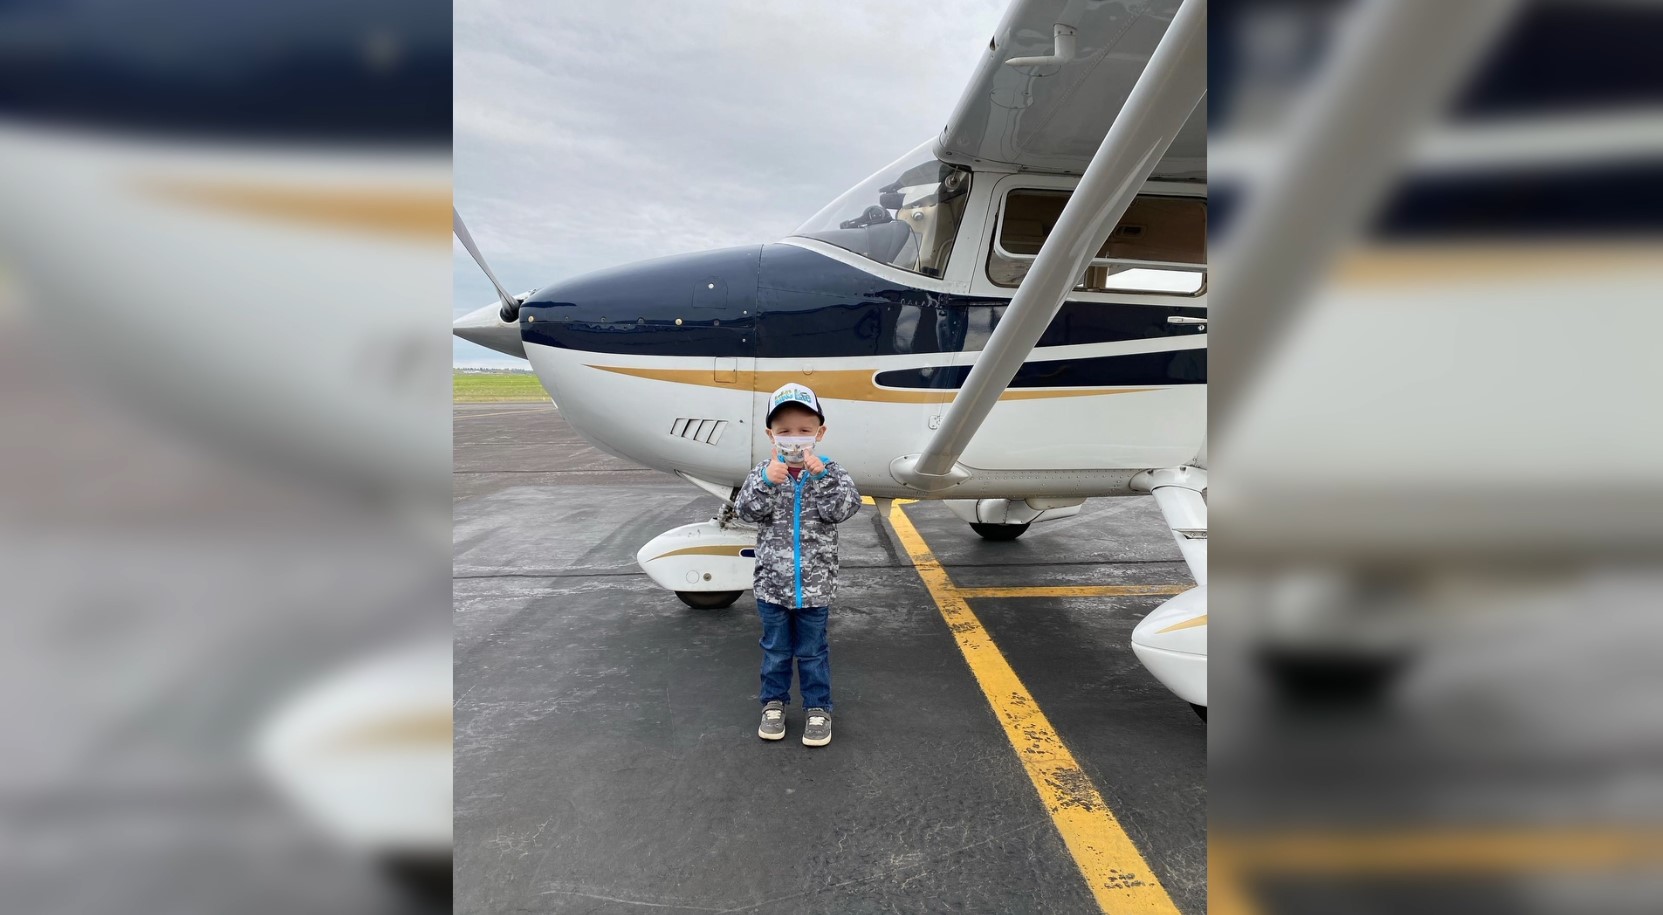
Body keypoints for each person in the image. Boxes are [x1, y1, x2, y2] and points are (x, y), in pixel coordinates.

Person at [734, 383, 862, 746]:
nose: (795, 439)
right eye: (785, 431)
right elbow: (745, 512)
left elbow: (842, 510)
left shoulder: (831, 472)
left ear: (820, 433)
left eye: (805, 431)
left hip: (815, 588)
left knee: (812, 652)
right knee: (774, 651)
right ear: (770, 435)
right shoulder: (763, 472)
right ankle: (773, 704)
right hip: (772, 587)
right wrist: (764, 483)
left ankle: (818, 709)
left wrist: (821, 479)